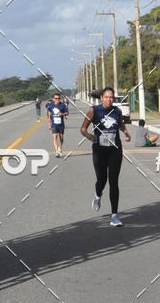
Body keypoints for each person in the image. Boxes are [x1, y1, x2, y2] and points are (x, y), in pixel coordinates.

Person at [81, 86, 131, 226]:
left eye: (111, 97)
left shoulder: (117, 111)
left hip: (115, 150)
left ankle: (114, 216)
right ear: (102, 98)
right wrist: (91, 137)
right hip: (99, 150)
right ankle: (98, 195)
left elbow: (120, 124)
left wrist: (126, 132)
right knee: (101, 180)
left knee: (114, 182)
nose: (109, 99)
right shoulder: (94, 110)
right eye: (106, 97)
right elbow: (83, 129)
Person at [45, 91, 69, 157]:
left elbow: (67, 113)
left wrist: (62, 114)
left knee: (61, 138)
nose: (57, 99)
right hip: (54, 125)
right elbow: (49, 116)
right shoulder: (51, 106)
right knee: (55, 137)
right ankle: (56, 152)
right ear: (53, 99)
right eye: (56, 98)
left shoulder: (63, 105)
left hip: (61, 125)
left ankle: (60, 148)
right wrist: (49, 124)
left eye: (58, 98)